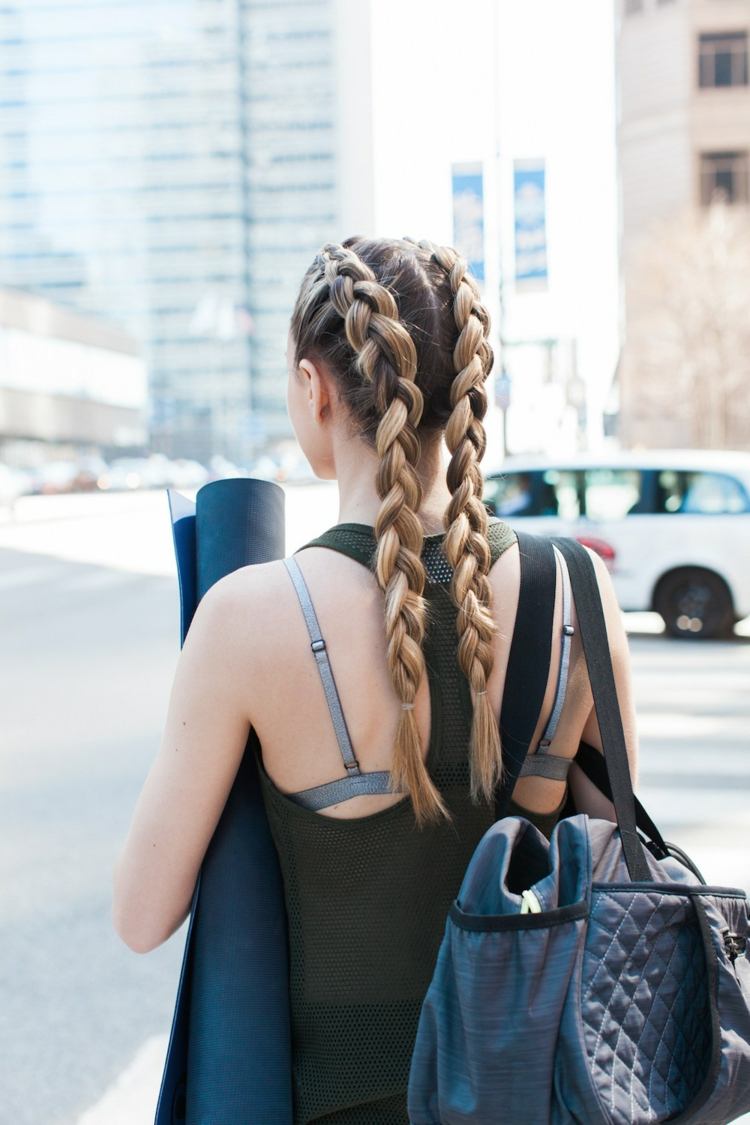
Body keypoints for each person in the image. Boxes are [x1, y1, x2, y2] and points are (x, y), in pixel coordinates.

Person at [112, 236, 639, 1123]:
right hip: (543, 1094)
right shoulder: (582, 592)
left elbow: (141, 914)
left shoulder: (248, 615)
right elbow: (611, 858)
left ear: (315, 386)